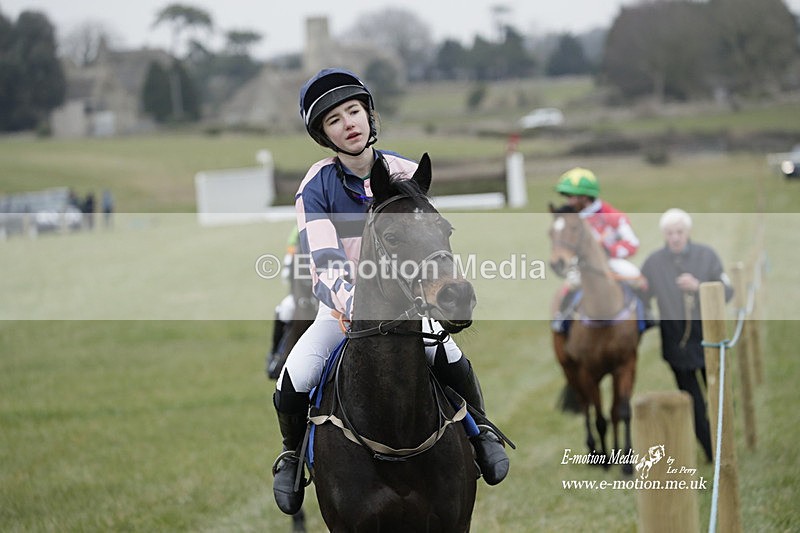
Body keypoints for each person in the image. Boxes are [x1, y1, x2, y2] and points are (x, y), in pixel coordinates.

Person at [271, 68, 509, 515]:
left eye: (354, 111)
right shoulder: (315, 188)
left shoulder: (405, 171)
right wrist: (356, 309)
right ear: (325, 135)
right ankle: (290, 455)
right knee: (296, 376)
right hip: (343, 312)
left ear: (368, 115)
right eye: (335, 120)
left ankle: (481, 432)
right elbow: (323, 264)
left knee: (451, 357)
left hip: (411, 305)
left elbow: (432, 240)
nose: (349, 123)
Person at [640, 208, 733, 462]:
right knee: (693, 403)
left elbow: (728, 291)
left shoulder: (707, 257)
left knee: (719, 398)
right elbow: (641, 296)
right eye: (670, 233)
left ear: (688, 232)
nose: (675, 238)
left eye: (679, 232)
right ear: (664, 235)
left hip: (710, 341)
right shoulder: (653, 263)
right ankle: (713, 453)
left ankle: (725, 444)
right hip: (677, 346)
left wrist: (699, 286)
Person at [551, 167, 645, 325]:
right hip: (583, 265)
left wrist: (608, 250)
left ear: (585, 197)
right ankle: (562, 318)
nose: (569, 201)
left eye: (572, 196)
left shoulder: (612, 216)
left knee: (635, 277)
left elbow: (633, 244)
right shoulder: (572, 219)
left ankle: (644, 315)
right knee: (571, 284)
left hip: (611, 262)